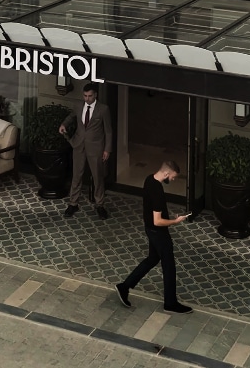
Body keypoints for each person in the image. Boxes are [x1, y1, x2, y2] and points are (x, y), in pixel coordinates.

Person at [115, 161, 192, 314]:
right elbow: (158, 220)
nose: (173, 180)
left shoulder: (149, 179)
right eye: (173, 177)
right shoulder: (157, 191)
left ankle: (124, 286)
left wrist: (169, 216)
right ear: (166, 173)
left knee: (152, 259)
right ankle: (170, 303)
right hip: (158, 232)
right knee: (169, 266)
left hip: (150, 230)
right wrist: (175, 221)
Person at [58, 83, 113, 219]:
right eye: (85, 96)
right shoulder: (78, 105)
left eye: (89, 96)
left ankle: (100, 205)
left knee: (97, 177)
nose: (87, 98)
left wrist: (107, 149)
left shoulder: (103, 109)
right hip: (78, 145)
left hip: (96, 148)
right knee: (77, 175)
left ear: (95, 95)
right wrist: (64, 124)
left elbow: (108, 131)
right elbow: (72, 116)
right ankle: (73, 203)